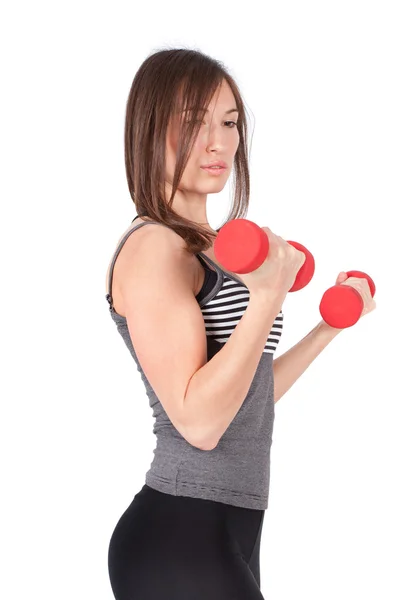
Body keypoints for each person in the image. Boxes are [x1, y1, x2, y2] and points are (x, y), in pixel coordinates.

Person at [105, 47, 303, 600]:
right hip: (180, 528)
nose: (220, 143)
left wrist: (329, 329)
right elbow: (199, 424)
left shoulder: (208, 249)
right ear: (149, 132)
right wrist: (266, 298)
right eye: (194, 123)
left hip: (231, 525)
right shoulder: (153, 248)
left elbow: (248, 393)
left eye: (230, 122)